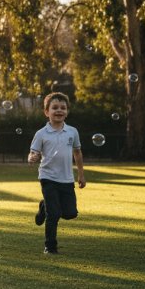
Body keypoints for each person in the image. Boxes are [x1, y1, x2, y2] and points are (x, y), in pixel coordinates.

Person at [28, 92, 86, 255]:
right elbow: (33, 153)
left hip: (66, 179)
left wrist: (81, 174)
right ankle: (50, 246)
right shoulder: (41, 134)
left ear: (67, 111)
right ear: (47, 112)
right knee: (53, 214)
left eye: (63, 108)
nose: (59, 110)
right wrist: (32, 158)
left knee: (70, 213)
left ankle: (43, 205)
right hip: (48, 178)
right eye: (55, 108)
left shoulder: (72, 132)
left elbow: (77, 153)